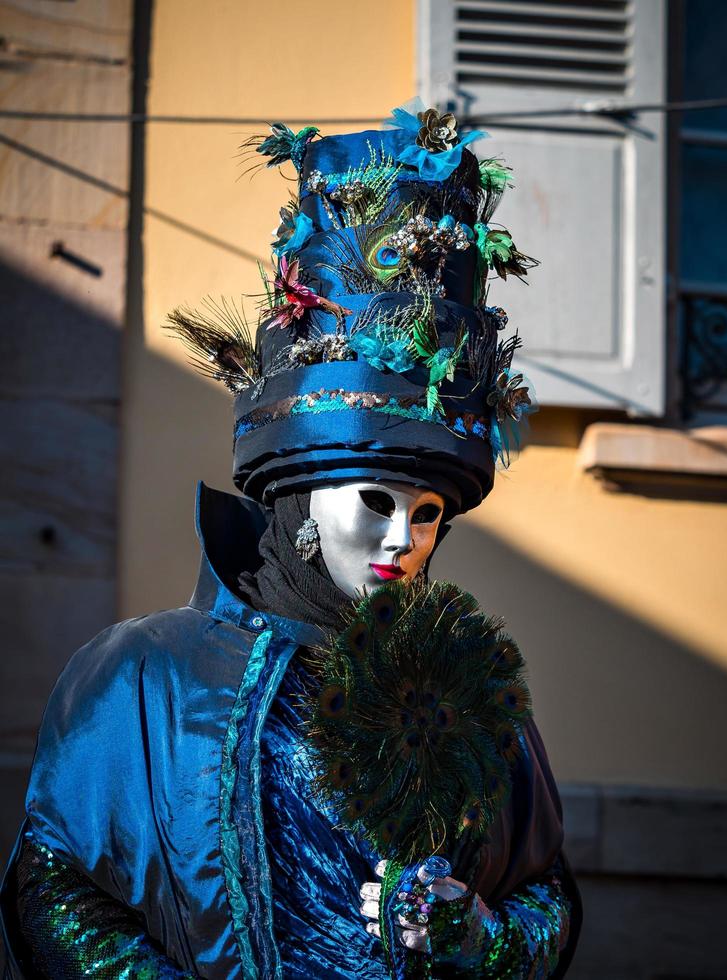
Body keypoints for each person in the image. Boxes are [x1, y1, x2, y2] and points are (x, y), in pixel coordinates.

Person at [0, 103, 581, 978]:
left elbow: (547, 892)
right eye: (378, 503)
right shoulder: (142, 673)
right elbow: (54, 885)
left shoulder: (472, 697)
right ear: (301, 507)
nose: (405, 541)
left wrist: (482, 938)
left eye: (428, 515)